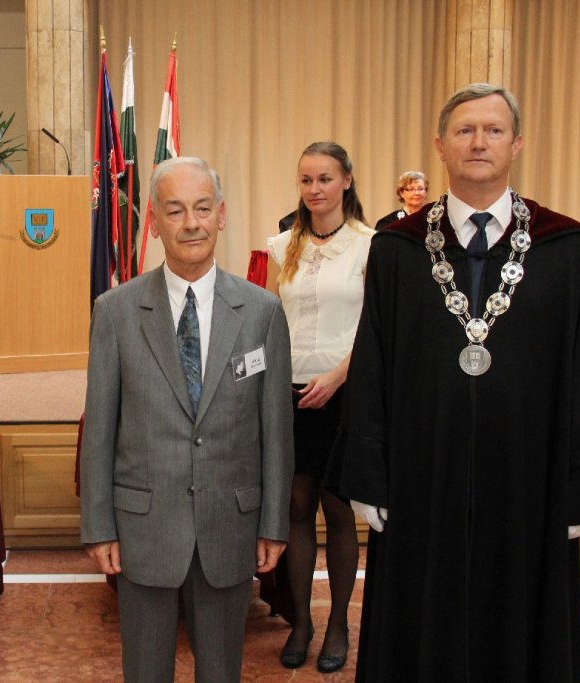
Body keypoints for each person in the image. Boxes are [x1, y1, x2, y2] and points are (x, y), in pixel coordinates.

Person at [330, 83, 580, 681]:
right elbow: (373, 360)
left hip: (529, 482)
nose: (479, 142)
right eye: (465, 131)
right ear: (441, 145)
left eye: (493, 130)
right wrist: (367, 471)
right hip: (421, 478)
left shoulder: (564, 248)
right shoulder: (397, 249)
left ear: (517, 144)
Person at [80, 156, 294, 682]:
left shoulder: (262, 312)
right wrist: (99, 526)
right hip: (144, 529)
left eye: (202, 208)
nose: (191, 223)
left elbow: (276, 431)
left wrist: (273, 522)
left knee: (221, 671)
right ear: (154, 222)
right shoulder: (115, 311)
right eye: (175, 211)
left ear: (222, 215)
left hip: (230, 525)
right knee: (145, 672)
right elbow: (100, 428)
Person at [264, 141, 372, 674]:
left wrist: (337, 376)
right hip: (290, 393)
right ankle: (302, 622)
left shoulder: (369, 245)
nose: (315, 189)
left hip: (343, 391)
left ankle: (338, 625)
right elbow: (268, 320)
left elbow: (377, 328)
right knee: (296, 507)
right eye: (306, 180)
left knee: (338, 510)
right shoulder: (283, 244)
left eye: (325, 178)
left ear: (346, 180)